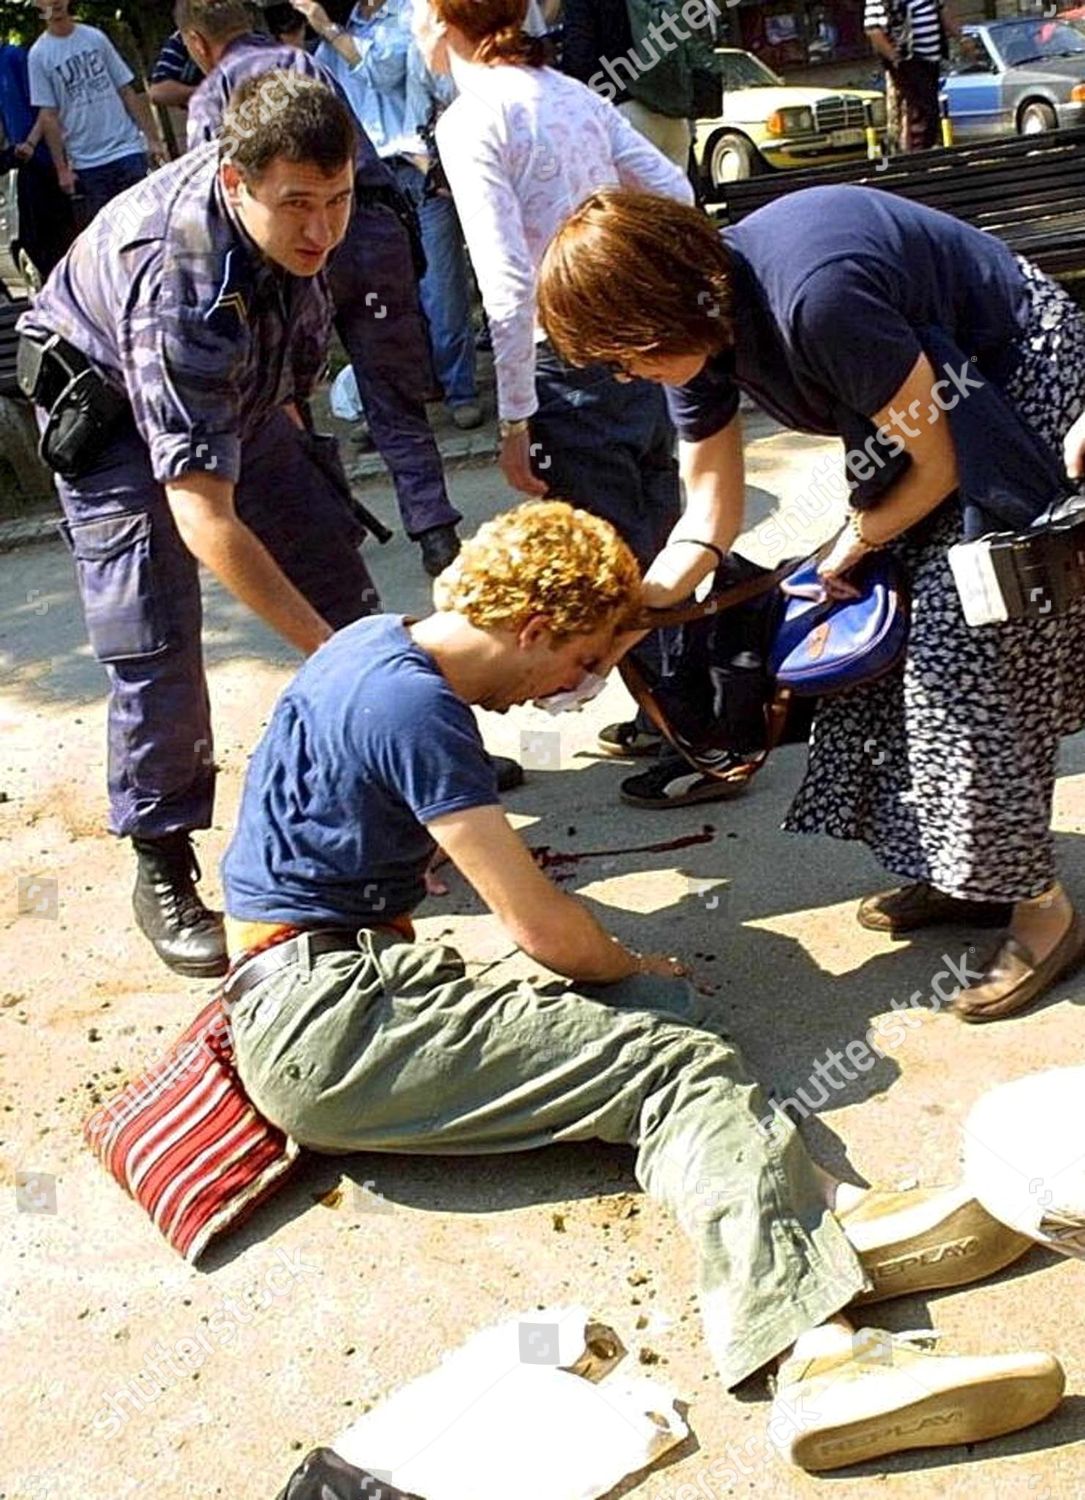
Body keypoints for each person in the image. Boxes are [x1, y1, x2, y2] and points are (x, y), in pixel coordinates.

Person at [220, 498, 1064, 1473]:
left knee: (659, 1020)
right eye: (580, 666)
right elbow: (546, 934)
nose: (571, 694)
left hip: (322, 994)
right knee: (674, 1064)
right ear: (535, 627)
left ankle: (817, 1208)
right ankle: (818, 1356)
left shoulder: (373, 646)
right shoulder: (418, 708)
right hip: (337, 1021)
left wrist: (636, 979)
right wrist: (631, 963)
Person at [538, 184, 1085, 1021]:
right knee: (870, 657)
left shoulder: (814, 296)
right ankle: (963, 869)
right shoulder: (700, 331)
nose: (624, 376)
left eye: (625, 356)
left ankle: (1040, 910)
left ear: (661, 314)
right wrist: (639, 609)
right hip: (917, 416)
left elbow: (935, 463)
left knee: (960, 655)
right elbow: (710, 505)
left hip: (1011, 387)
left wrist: (849, 543)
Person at [17, 72, 381, 980]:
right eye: (296, 204)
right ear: (235, 181)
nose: (320, 229)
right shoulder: (175, 274)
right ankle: (162, 853)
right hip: (109, 421)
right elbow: (201, 515)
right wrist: (331, 664)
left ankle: (390, 754)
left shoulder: (302, 225)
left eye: (335, 201)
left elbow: (288, 357)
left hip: (238, 399)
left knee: (332, 569)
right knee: (156, 637)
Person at [414, 0, 690, 765]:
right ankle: (681, 711)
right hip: (628, 348)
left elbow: (504, 287)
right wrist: (631, 282)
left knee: (598, 559)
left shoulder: (471, 122)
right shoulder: (575, 95)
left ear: (444, 21)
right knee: (655, 536)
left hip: (561, 359)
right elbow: (673, 190)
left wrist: (514, 417)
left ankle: (684, 733)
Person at [180, 0, 469, 580]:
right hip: (368, 231)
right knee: (394, 392)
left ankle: (332, 527)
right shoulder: (304, 63)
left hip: (283, 253)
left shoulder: (213, 95)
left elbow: (206, 205)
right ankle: (435, 530)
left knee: (284, 399)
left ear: (195, 42)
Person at [299, 0, 484, 434]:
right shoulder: (339, 28)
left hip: (415, 164)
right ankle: (400, 400)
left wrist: (326, 28)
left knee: (442, 285)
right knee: (384, 295)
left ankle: (460, 391)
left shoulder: (408, 13)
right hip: (366, 178)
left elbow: (384, 71)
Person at [26, 0, 167, 228]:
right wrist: (62, 169)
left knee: (150, 222)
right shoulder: (39, 55)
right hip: (88, 161)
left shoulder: (94, 38)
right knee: (110, 231)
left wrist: (151, 138)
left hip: (126, 148)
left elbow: (125, 89)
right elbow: (48, 114)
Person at [0, 39, 75, 279]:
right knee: (34, 240)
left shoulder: (14, 57)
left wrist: (31, 143)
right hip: (26, 161)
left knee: (56, 237)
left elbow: (45, 104)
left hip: (46, 156)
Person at [864, 0, 952, 154]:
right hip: (906, 63)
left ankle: (926, 152)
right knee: (913, 110)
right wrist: (895, 58)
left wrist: (962, 38)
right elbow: (873, 31)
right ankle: (909, 156)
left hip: (931, 61)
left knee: (929, 110)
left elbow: (943, 12)